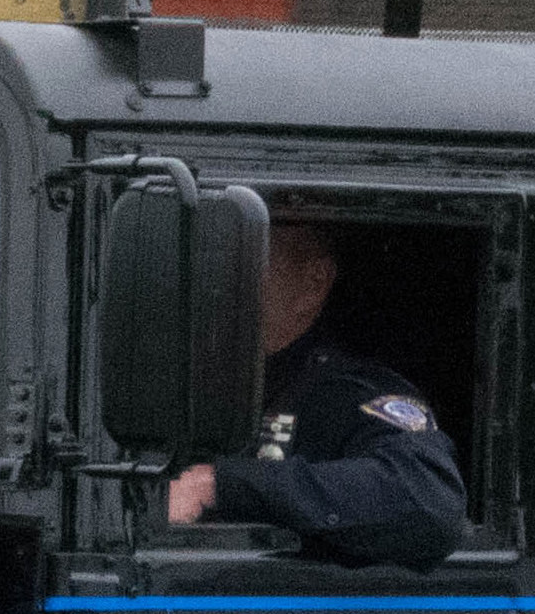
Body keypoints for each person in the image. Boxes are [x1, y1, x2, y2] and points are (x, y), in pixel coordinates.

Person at [163, 220, 466, 568]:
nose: (219, 280)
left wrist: (217, 486)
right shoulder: (181, 377)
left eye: (244, 258)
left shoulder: (348, 396)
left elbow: (427, 499)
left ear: (313, 283)